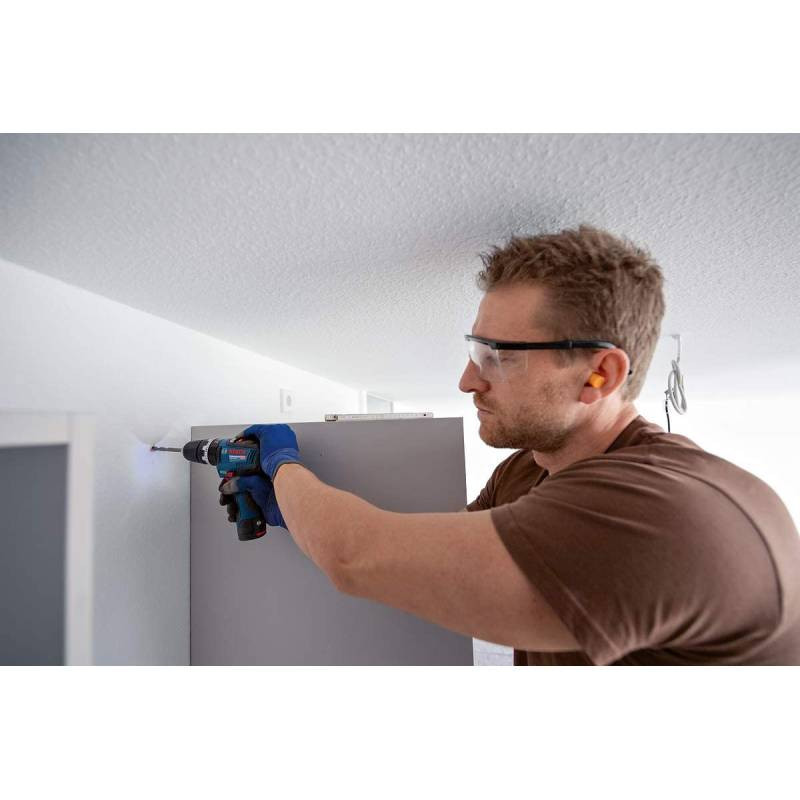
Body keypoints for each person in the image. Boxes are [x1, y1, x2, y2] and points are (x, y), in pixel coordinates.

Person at [222, 225, 800, 665]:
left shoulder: (663, 511)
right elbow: (424, 562)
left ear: (599, 374)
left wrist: (283, 466)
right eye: (476, 352)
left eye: (497, 357)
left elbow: (358, 558)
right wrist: (294, 512)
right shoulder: (527, 470)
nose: (467, 381)